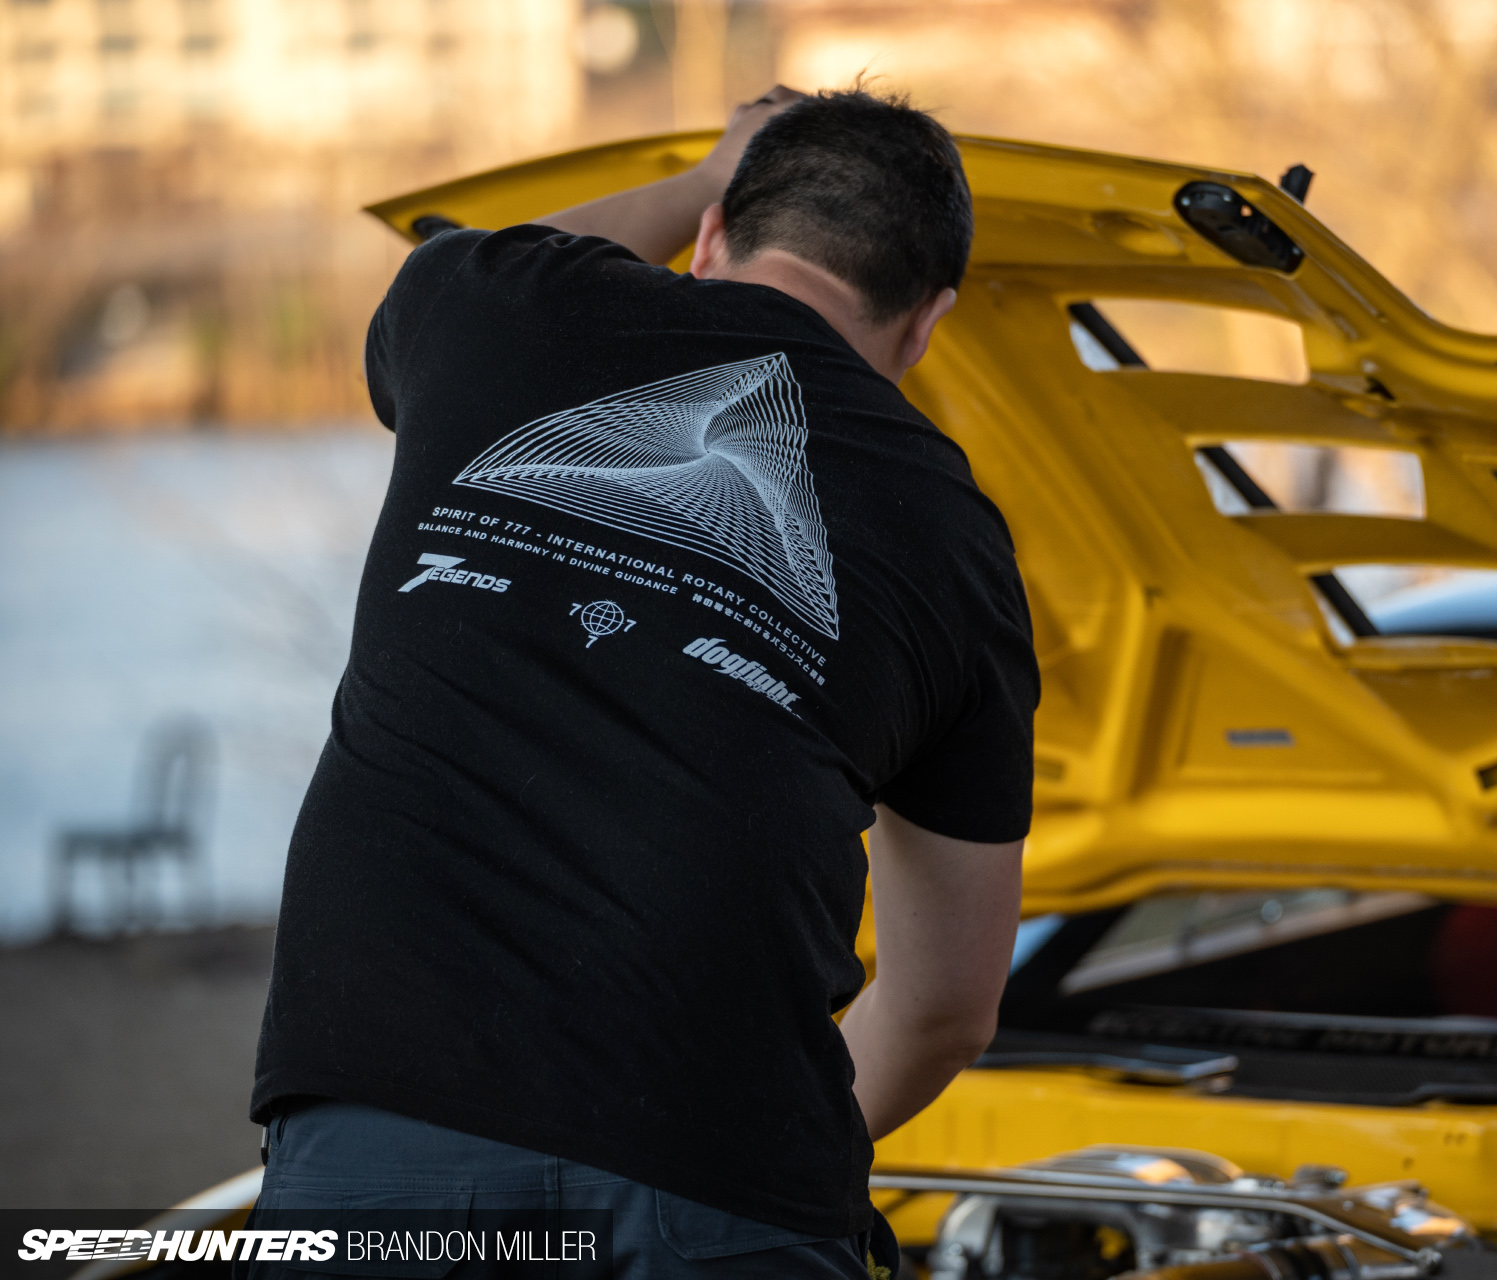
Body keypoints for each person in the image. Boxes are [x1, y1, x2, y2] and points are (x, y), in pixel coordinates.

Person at [246, 85, 1038, 1278]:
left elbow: (486, 253)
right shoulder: (960, 538)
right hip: (725, 1191)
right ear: (929, 323)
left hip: (385, 1125)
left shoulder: (493, 310)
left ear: (710, 237)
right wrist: (772, 1150)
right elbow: (946, 1006)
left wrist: (702, 174)